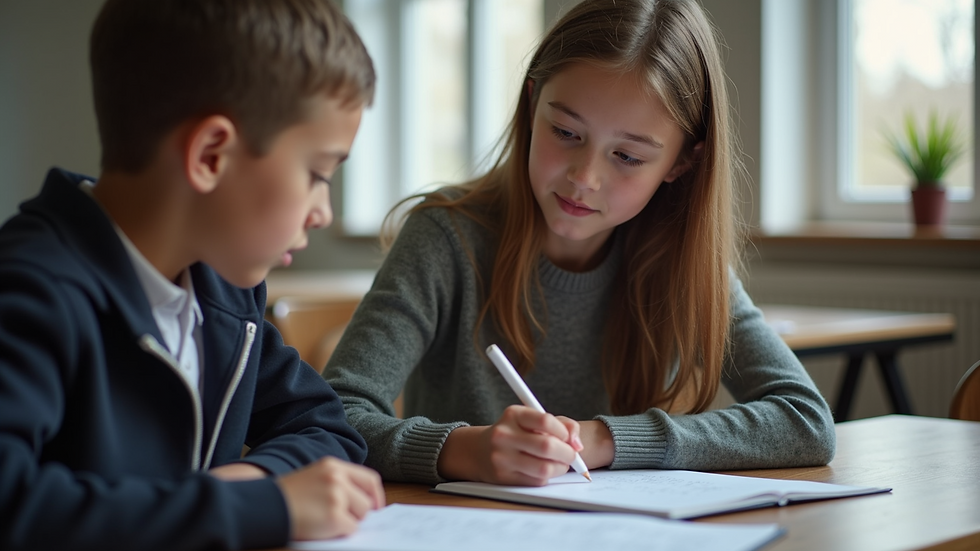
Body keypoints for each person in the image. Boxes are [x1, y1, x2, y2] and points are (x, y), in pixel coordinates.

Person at [323, 0, 836, 487]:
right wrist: (465, 450)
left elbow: (805, 420)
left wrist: (604, 439)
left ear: (682, 164)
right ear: (532, 103)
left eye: (628, 157)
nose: (584, 177)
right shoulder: (445, 237)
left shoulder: (680, 263)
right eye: (566, 132)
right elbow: (333, 418)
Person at [0, 1, 385, 549]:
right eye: (317, 173)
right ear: (210, 155)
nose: (321, 211)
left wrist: (249, 483)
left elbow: (328, 427)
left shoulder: (223, 291)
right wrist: (254, 505)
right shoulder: (32, 290)